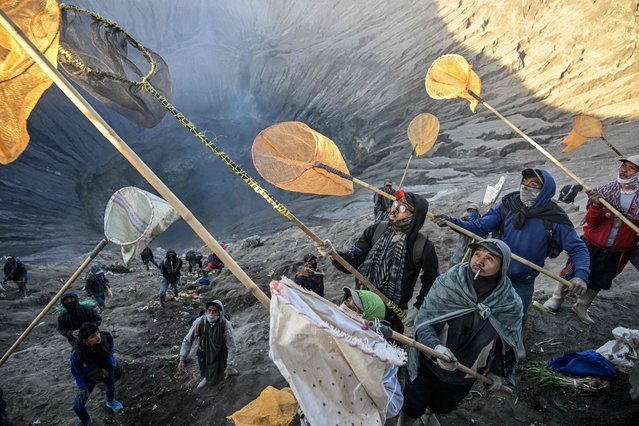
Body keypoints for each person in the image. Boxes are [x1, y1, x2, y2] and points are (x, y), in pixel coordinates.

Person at [432, 168, 589, 329]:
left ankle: (513, 347)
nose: (526, 187)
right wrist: (453, 222)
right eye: (524, 182)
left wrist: (580, 275)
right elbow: (479, 227)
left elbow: (578, 248)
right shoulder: (508, 205)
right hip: (492, 273)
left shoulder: (554, 217)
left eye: (534, 184)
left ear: (545, 191)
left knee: (516, 318)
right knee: (478, 315)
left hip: (522, 280)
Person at [398, 239, 523, 426]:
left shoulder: (509, 303)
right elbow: (424, 321)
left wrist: (497, 372)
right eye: (478, 253)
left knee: (445, 405)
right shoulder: (450, 282)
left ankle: (429, 413)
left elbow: (508, 342)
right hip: (428, 364)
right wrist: (435, 347)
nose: (480, 260)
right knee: (411, 403)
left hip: (465, 374)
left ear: (502, 267)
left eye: (490, 258)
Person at [319, 189, 439, 333]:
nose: (394, 209)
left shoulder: (423, 246)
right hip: (357, 306)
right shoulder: (375, 231)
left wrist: (418, 307)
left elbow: (432, 281)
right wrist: (333, 254)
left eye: (402, 208)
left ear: (415, 216)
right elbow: (352, 260)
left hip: (390, 316)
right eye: (395, 203)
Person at [544, 156, 639, 325]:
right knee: (573, 269)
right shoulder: (606, 191)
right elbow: (593, 222)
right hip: (592, 243)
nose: (624, 170)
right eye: (624, 165)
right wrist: (596, 205)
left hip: (619, 251)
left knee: (601, 278)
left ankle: (581, 306)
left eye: (631, 168)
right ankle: (557, 297)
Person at [70, 322, 122, 426]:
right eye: (93, 336)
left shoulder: (106, 339)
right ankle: (86, 421)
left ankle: (110, 401)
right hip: (88, 377)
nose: (98, 337)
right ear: (85, 341)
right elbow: (77, 372)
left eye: (97, 333)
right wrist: (82, 387)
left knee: (110, 387)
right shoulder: (77, 354)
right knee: (78, 407)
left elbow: (111, 350)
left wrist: (110, 364)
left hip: (106, 370)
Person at [178, 300, 237, 390]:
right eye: (209, 310)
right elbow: (187, 340)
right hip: (204, 349)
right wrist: (182, 357)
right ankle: (206, 376)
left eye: (214, 311)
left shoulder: (225, 325)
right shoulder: (200, 323)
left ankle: (228, 369)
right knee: (203, 365)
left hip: (220, 350)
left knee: (222, 364)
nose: (211, 314)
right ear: (206, 311)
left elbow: (231, 346)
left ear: (220, 312)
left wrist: (230, 365)